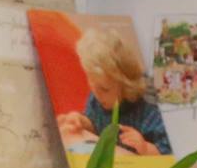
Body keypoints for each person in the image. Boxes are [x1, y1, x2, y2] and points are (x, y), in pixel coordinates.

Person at [56, 26, 174, 158]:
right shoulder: (98, 97)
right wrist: (82, 122)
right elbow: (95, 124)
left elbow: (170, 152)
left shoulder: (149, 109)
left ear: (126, 86)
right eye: (92, 85)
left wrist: (146, 148)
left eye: (104, 89)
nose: (97, 94)